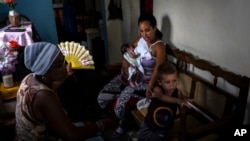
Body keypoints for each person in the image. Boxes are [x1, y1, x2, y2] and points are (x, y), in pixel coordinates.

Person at [15, 42, 114, 141]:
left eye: (64, 61)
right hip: (41, 137)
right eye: (59, 65)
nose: (65, 66)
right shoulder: (44, 96)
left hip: (31, 134)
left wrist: (66, 75)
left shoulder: (31, 78)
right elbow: (72, 135)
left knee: (87, 125)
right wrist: (102, 124)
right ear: (45, 70)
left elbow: (50, 88)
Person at [97, 13, 167, 137]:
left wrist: (150, 85)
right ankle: (119, 119)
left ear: (155, 27)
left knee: (119, 107)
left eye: (147, 30)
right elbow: (129, 49)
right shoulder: (141, 40)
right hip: (131, 75)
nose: (144, 35)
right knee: (102, 98)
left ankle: (123, 123)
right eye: (141, 31)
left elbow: (159, 69)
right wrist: (127, 57)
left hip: (144, 83)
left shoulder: (159, 46)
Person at [137, 62, 193, 141]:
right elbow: (161, 97)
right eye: (167, 82)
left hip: (164, 129)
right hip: (148, 125)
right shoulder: (157, 89)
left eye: (174, 81)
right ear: (160, 82)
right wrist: (179, 101)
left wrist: (182, 128)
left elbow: (182, 112)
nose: (172, 85)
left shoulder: (178, 93)